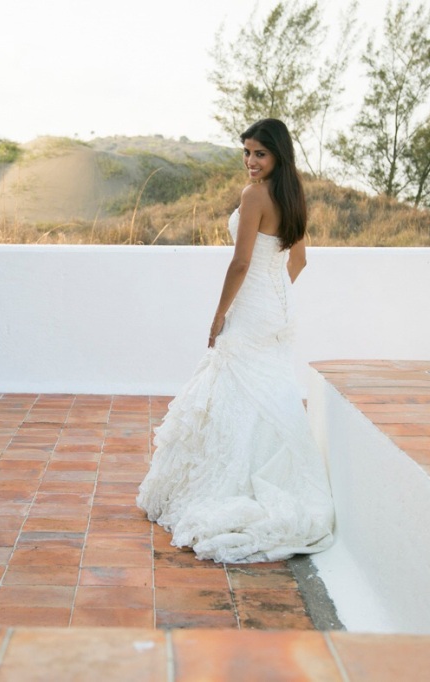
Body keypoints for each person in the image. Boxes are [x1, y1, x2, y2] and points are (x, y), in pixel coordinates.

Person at [136, 118, 335, 563]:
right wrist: (274, 296)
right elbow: (298, 261)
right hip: (279, 308)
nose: (250, 162)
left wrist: (220, 312)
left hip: (251, 306)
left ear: (277, 155)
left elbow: (241, 263)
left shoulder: (254, 195)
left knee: (236, 387)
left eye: (259, 154)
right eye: (246, 152)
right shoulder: (293, 194)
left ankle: (234, 483)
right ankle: (270, 474)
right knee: (268, 388)